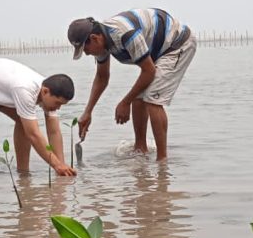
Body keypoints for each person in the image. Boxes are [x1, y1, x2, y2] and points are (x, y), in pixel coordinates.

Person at [68, 8, 197, 161]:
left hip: (177, 44)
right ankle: (140, 151)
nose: (87, 54)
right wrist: (87, 112)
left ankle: (162, 161)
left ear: (95, 38)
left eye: (85, 49)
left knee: (152, 99)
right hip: (157, 51)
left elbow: (148, 71)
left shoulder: (124, 34)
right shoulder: (102, 41)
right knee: (138, 95)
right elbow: (102, 77)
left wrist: (125, 102)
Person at [0, 58, 77, 180]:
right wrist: (57, 165)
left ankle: (23, 174)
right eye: (57, 103)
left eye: (61, 105)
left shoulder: (50, 92)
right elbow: (33, 134)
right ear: (45, 91)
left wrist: (62, 168)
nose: (58, 108)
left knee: (23, 122)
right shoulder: (25, 90)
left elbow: (54, 132)